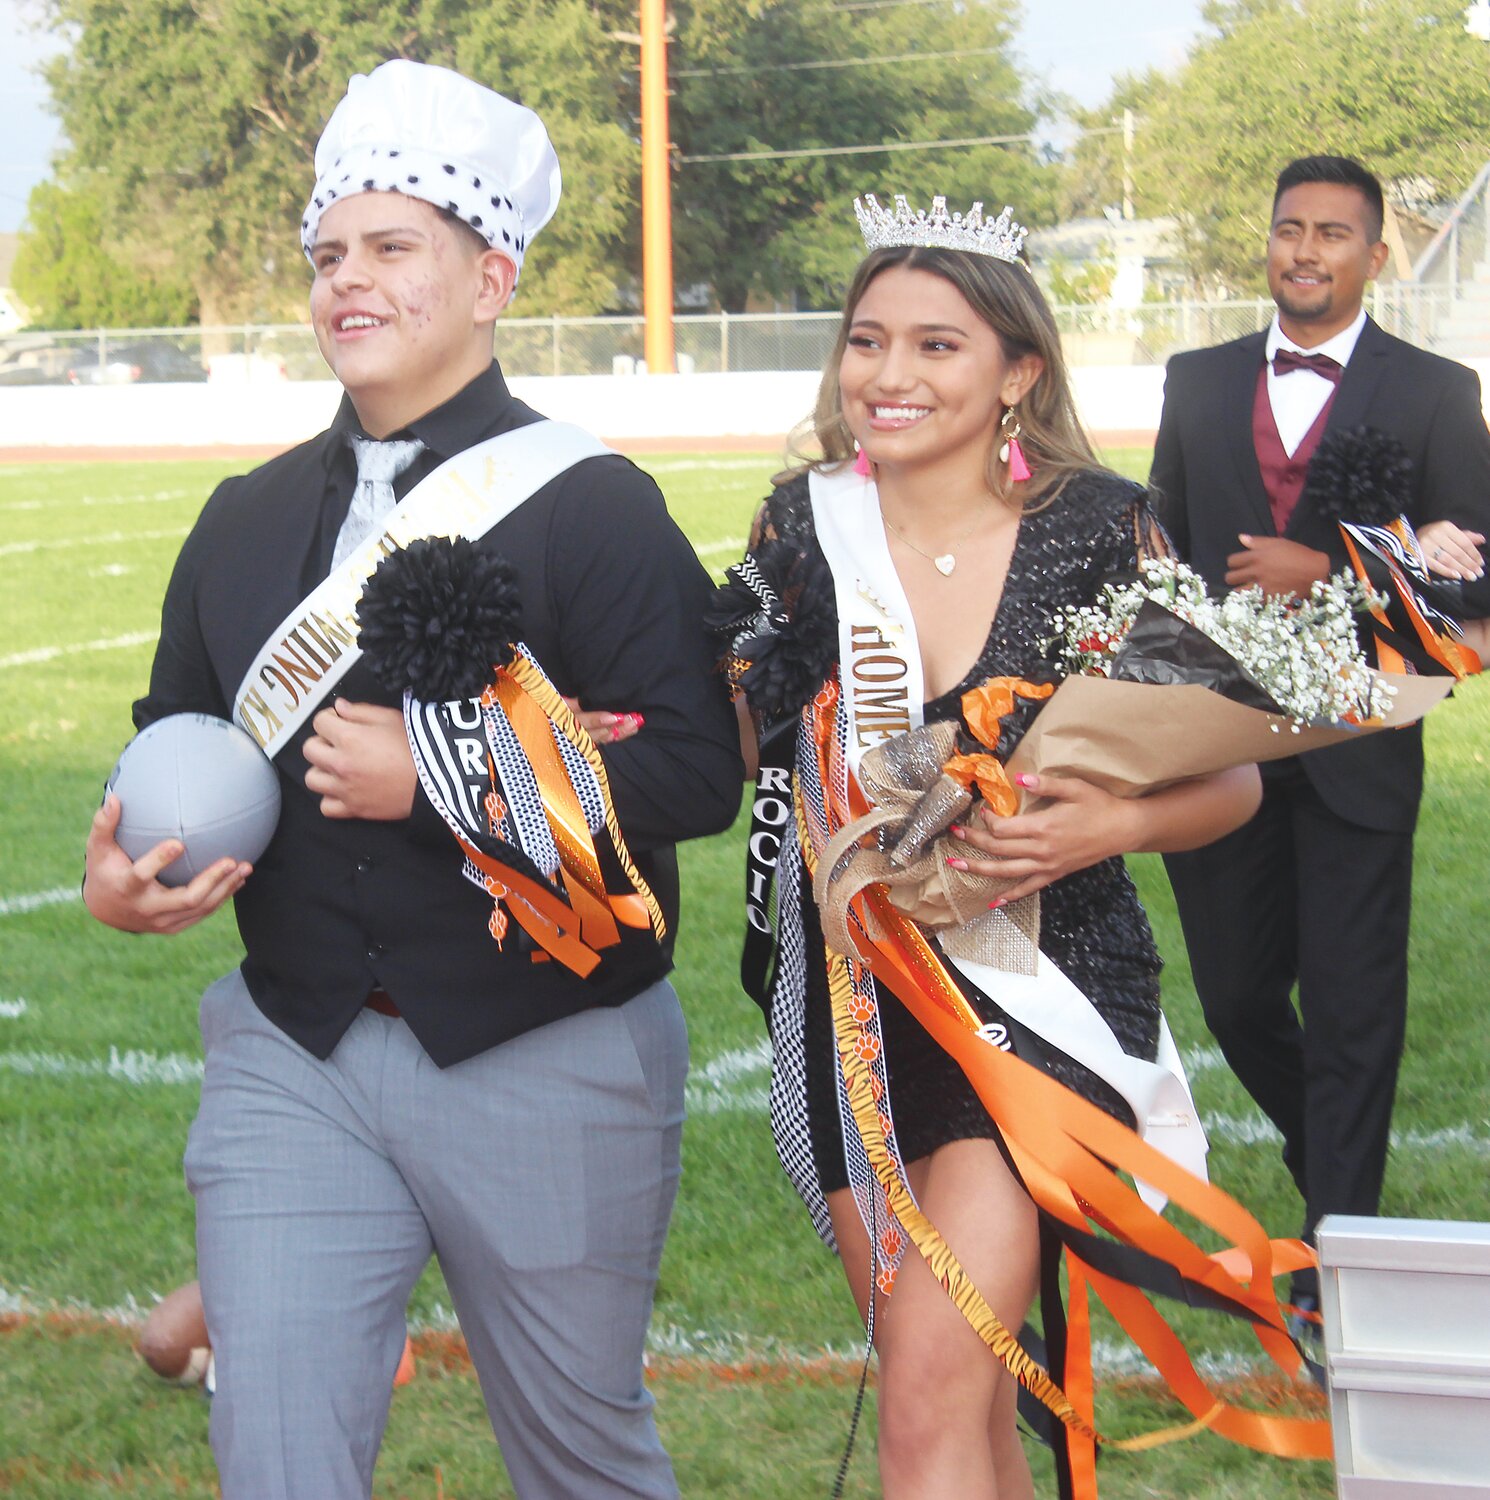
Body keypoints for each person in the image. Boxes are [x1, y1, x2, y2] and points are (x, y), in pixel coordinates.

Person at [83, 58, 740, 1500]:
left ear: (492, 276)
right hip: (292, 1053)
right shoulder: (242, 517)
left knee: (581, 1460)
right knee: (276, 1457)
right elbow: (173, 740)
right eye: (328, 255)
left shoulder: (596, 506)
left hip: (549, 1044)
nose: (346, 283)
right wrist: (120, 871)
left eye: (392, 249)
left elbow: (698, 767)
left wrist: (445, 767)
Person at [710, 195, 1263, 1500]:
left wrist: (1114, 822)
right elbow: (737, 735)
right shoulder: (801, 524)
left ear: (1018, 370)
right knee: (951, 1396)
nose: (887, 376)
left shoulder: (1101, 529)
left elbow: (1230, 771)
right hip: (848, 1000)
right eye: (866, 341)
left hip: (1038, 990)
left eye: (935, 346)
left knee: (922, 1390)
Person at [1149, 154, 1490, 1324]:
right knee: (1238, 998)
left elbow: (1475, 584)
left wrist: (1336, 568)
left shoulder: (1436, 391)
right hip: (1214, 740)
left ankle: (1332, 1257)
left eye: (1332, 233)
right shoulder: (1191, 382)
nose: (1304, 250)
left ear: (1373, 255)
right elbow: (1162, 547)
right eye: (1288, 227)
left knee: (1351, 1018)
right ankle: (1327, 1160)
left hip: (1357, 745)